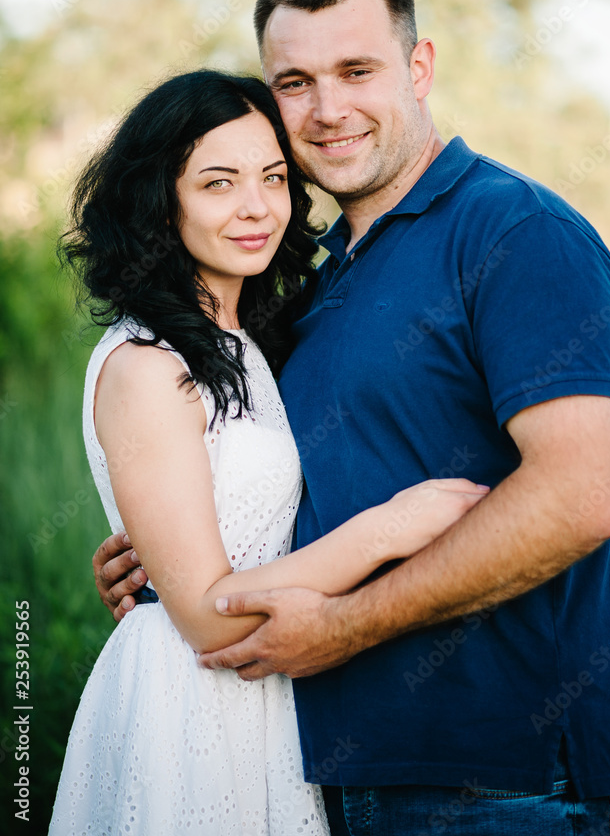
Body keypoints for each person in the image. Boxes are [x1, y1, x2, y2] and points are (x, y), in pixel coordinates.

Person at [94, 0, 610, 835]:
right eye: (295, 82)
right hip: (313, 765)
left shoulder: (515, 231)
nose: (327, 109)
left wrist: (342, 626)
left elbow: (580, 496)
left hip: (491, 778)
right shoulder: (303, 277)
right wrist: (167, 559)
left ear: (419, 69)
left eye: (356, 71)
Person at [49, 68, 489, 835]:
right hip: (190, 699)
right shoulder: (149, 365)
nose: (256, 207)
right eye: (217, 183)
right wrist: (392, 527)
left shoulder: (249, 337)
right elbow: (208, 618)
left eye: (274, 177)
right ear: (161, 202)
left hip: (268, 698)